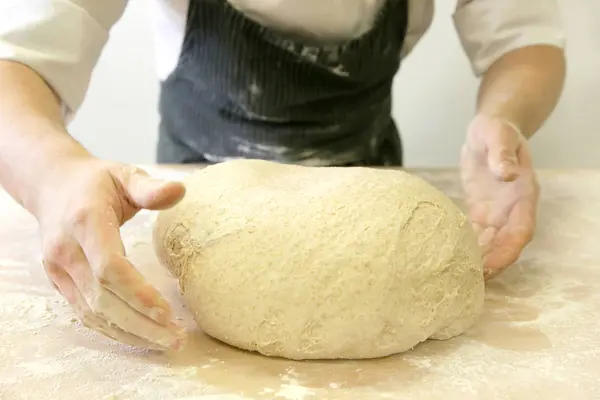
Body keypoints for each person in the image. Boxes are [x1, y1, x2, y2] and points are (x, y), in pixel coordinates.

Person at [0, 0, 566, 351]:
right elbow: (18, 58)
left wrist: (503, 117)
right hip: (195, 191)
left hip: (376, 197)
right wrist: (53, 174)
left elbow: (524, 36)